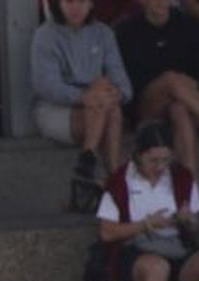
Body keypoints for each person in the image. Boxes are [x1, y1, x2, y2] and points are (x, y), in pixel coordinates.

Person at [92, 122, 199, 281]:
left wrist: (189, 220)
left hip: (176, 247)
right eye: (152, 160)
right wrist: (146, 225)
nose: (160, 167)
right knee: (156, 267)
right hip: (135, 250)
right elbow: (107, 232)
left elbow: (196, 227)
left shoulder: (182, 178)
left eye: (165, 160)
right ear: (138, 155)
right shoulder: (120, 182)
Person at [33, 0, 132, 214]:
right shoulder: (45, 35)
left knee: (108, 101)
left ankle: (88, 162)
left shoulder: (103, 33)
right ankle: (115, 177)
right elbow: (46, 86)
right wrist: (84, 96)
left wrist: (114, 93)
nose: (76, 7)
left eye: (81, 1)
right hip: (57, 109)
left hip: (100, 107)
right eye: (69, 1)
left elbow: (125, 87)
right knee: (102, 96)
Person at [115, 0, 199, 171]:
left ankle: (188, 187)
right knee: (170, 80)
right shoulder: (127, 30)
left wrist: (188, 83)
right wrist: (173, 83)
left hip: (186, 102)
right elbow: (129, 81)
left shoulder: (189, 26)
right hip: (147, 106)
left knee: (178, 110)